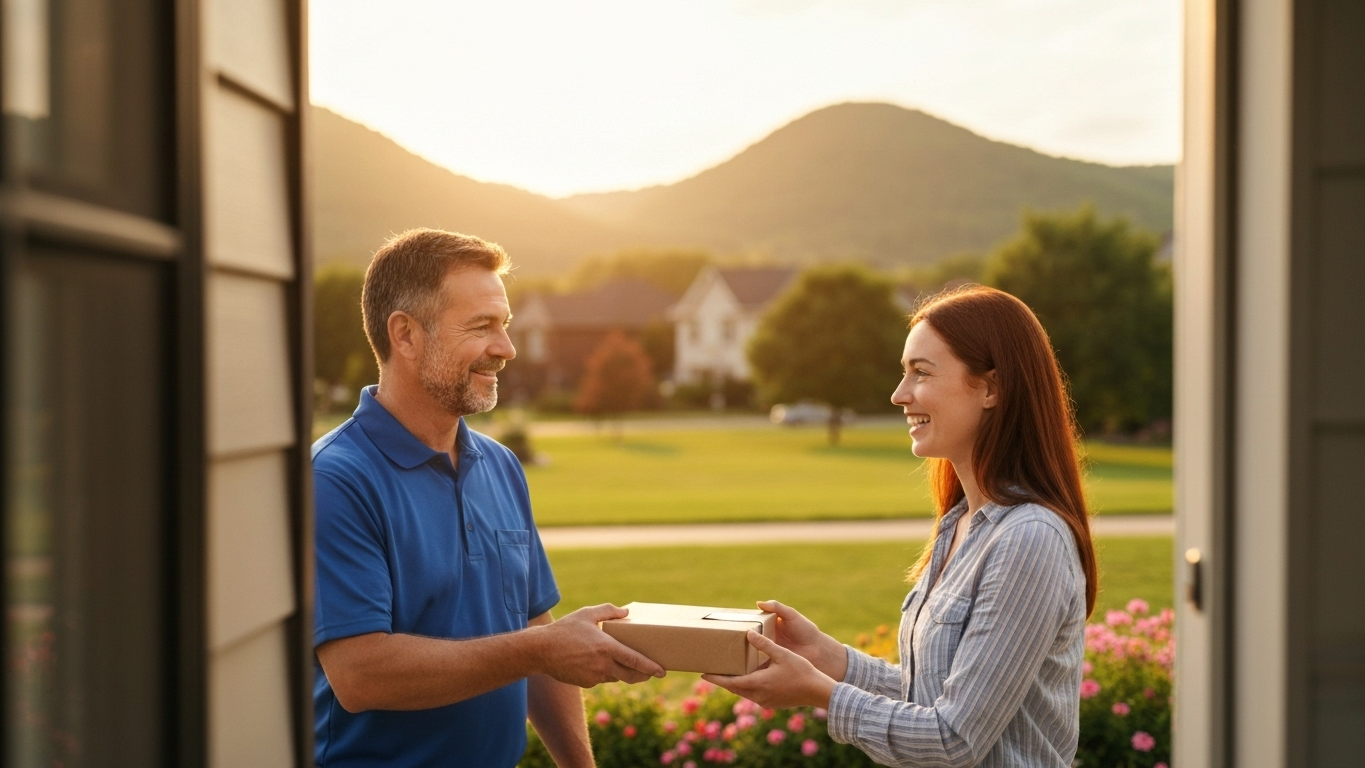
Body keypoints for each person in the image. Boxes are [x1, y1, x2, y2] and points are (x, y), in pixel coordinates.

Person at [312, 229, 665, 767]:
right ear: (405, 335)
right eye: (482, 327)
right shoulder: (334, 479)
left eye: (504, 325)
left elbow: (531, 625)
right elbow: (361, 675)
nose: (506, 348)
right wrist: (542, 650)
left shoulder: (499, 466)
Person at [705, 285, 1097, 767]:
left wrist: (822, 693)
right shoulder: (960, 526)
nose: (899, 394)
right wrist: (829, 659)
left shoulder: (1029, 539)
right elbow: (932, 700)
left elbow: (953, 740)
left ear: (992, 388)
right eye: (903, 372)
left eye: (922, 373)